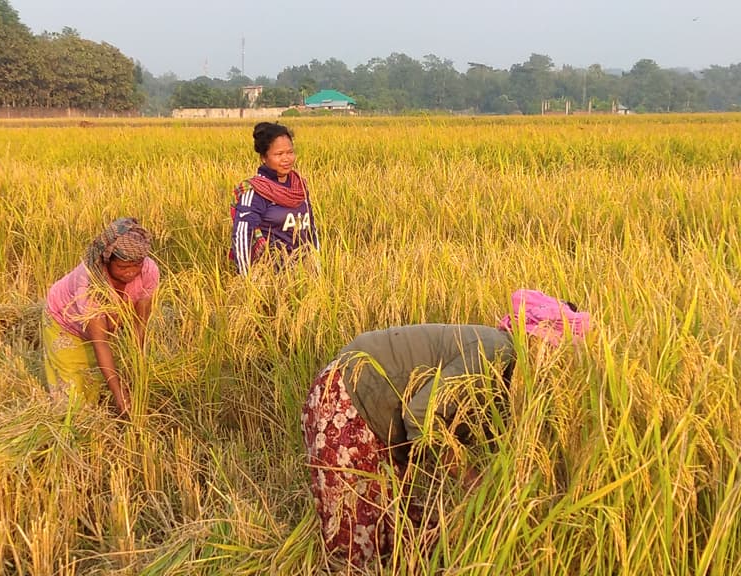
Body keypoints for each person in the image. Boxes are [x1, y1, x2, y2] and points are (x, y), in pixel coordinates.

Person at [302, 291, 590, 565]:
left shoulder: (511, 376)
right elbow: (419, 415)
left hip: (372, 410)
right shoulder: (496, 351)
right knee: (357, 536)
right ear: (542, 342)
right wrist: (467, 477)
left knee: (402, 531)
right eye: (557, 353)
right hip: (346, 397)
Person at [42, 218, 159, 418]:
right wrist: (120, 395)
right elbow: (100, 343)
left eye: (136, 265)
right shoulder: (90, 284)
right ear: (107, 259)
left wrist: (137, 369)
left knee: (95, 382)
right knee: (73, 397)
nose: (130, 272)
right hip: (65, 323)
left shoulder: (149, 271)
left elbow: (140, 325)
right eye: (123, 267)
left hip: (106, 327)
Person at [230, 122, 319, 275]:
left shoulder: (300, 187)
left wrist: (317, 265)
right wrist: (248, 283)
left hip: (303, 273)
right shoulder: (256, 191)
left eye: (290, 152)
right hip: (271, 275)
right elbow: (243, 234)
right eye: (278, 154)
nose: (286, 159)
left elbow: (311, 228)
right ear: (264, 157)